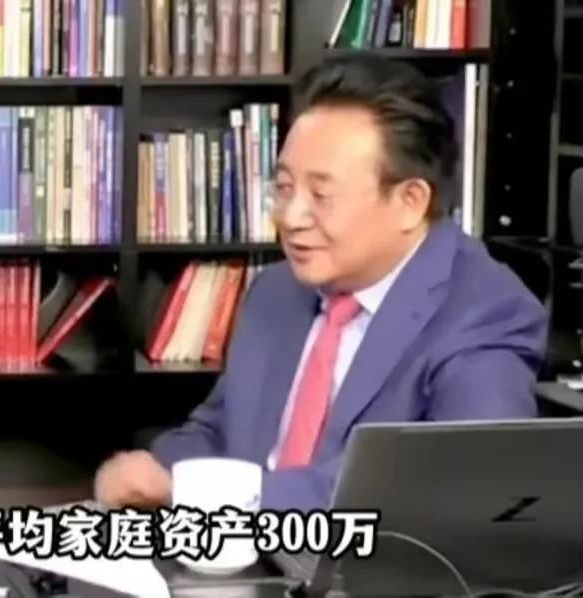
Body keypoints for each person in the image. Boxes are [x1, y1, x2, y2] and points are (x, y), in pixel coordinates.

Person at [95, 55, 549, 512]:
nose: (291, 218)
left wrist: (200, 493)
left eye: (321, 195)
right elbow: (217, 432)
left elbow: (459, 486)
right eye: (284, 188)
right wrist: (154, 472)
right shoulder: (275, 291)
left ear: (410, 202)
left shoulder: (484, 314)